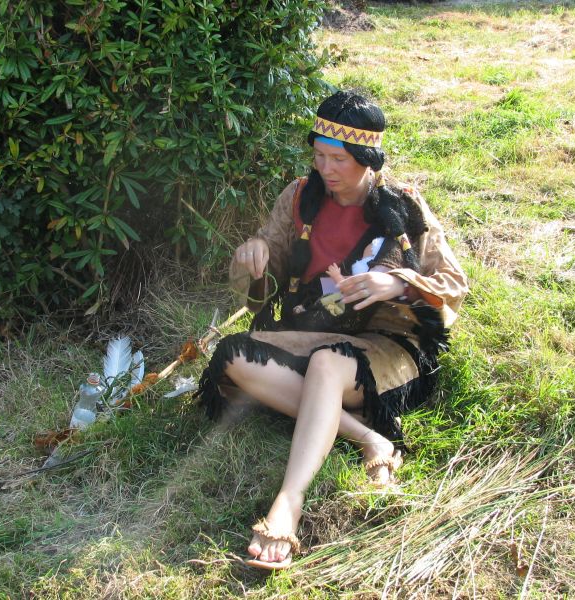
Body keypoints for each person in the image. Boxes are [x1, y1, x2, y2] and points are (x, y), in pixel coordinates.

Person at [196, 91, 469, 570]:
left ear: (368, 158)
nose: (326, 169)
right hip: (315, 330)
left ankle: (289, 502)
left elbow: (453, 285)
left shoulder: (404, 206)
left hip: (384, 345)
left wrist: (397, 282)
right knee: (232, 355)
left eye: (339, 159)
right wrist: (256, 254)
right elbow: (268, 271)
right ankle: (368, 438)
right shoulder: (300, 197)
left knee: (326, 364)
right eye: (319, 156)